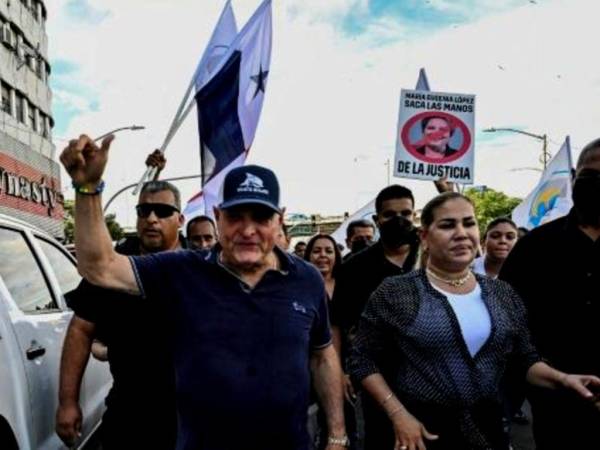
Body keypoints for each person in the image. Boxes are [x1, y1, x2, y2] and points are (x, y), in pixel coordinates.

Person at [59, 134, 347, 450]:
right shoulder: (181, 270)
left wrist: (336, 434)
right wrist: (88, 189)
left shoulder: (306, 279)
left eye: (261, 217)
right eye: (236, 216)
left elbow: (322, 355)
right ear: (218, 217)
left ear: (280, 219)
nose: (248, 230)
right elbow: (98, 266)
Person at [349, 192, 600, 450]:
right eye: (448, 225)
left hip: (488, 432)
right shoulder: (396, 292)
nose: (461, 232)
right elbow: (362, 360)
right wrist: (398, 415)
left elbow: (525, 359)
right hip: (419, 433)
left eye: (468, 223)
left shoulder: (501, 293)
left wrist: (563, 380)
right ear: (424, 237)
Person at [55, 180, 185, 449]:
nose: (151, 219)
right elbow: (81, 328)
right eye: (143, 211)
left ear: (180, 219)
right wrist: (68, 401)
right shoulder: (110, 269)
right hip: (128, 414)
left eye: (162, 211)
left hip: (190, 418)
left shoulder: (198, 268)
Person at [499, 138, 600, 450]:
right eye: (590, 177)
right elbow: (507, 324)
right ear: (573, 178)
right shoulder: (534, 248)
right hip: (556, 403)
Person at [330, 184, 420, 450]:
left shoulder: (432, 255)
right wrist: (340, 371)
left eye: (406, 213)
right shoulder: (355, 268)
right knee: (383, 440)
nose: (399, 220)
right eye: (390, 215)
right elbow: (337, 323)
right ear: (377, 219)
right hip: (379, 377)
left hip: (434, 375)